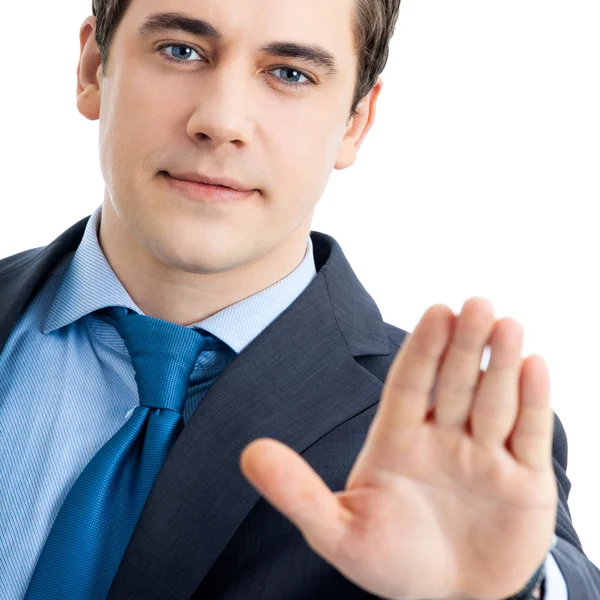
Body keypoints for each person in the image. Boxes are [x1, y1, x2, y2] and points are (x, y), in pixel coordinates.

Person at [0, 0, 598, 598]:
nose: (222, 121)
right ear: (92, 68)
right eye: (181, 50)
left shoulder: (449, 431)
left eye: (290, 73)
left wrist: (503, 591)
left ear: (355, 122)